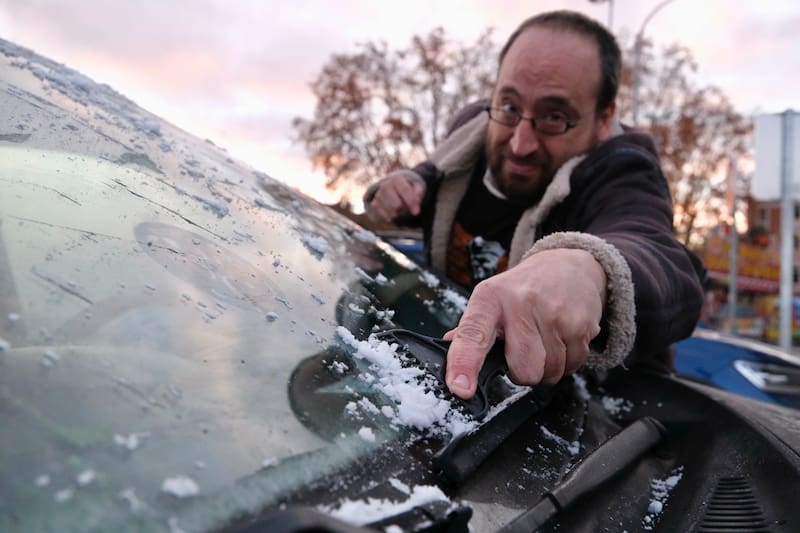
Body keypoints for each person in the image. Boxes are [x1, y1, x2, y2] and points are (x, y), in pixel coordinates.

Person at [363, 10, 705, 401]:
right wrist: (409, 185)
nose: (520, 144)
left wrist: (587, 268)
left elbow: (661, 258)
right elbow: (437, 171)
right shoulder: (467, 138)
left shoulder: (623, 169)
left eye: (555, 117)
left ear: (604, 118)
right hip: (449, 396)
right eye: (509, 106)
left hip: (587, 427)